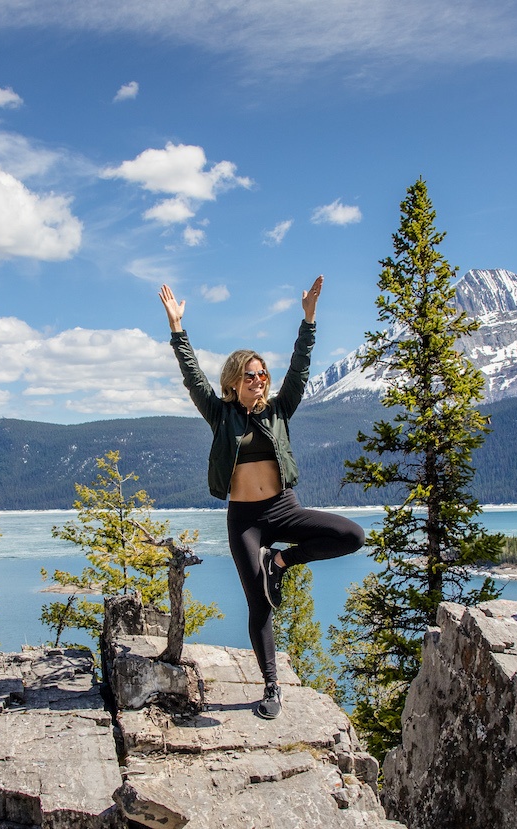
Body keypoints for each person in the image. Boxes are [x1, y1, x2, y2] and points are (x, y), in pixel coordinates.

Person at [159, 275, 365, 719]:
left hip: (283, 509)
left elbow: (300, 369)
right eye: (251, 375)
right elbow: (193, 376)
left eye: (262, 374)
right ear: (234, 381)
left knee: (352, 535)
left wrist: (308, 320)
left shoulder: (279, 409)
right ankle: (271, 687)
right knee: (259, 603)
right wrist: (178, 330)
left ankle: (280, 562)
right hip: (245, 521)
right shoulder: (219, 413)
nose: (260, 379)